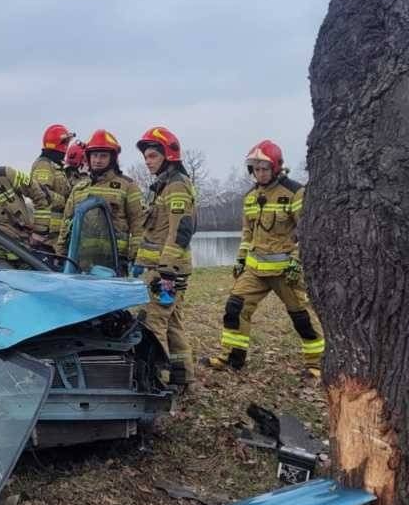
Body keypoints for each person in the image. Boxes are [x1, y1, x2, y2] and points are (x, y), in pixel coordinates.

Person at [204, 140, 324, 378]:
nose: (260, 174)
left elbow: (307, 232)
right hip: (255, 270)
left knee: (300, 317)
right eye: (256, 169)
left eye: (265, 169)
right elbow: (248, 235)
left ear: (276, 167)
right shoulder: (250, 198)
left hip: (284, 272)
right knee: (234, 309)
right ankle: (233, 357)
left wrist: (296, 262)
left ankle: (317, 364)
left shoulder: (294, 193)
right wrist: (240, 260)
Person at [134, 126, 197, 390]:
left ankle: (154, 382)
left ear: (168, 155)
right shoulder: (161, 186)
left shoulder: (176, 186)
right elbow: (153, 231)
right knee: (172, 324)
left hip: (166, 272)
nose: (148, 162)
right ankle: (182, 378)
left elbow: (180, 230)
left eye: (152, 156)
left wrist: (167, 270)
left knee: (153, 323)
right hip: (160, 268)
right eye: (146, 157)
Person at [55, 130, 144, 273]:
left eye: (103, 156)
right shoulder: (79, 189)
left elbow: (139, 225)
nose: (97, 160)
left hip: (115, 262)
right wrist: (60, 255)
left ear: (112, 158)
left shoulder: (128, 186)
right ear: (88, 157)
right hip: (80, 261)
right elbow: (66, 225)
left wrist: (136, 258)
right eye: (94, 155)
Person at [29, 124, 75, 249]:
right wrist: (68, 202)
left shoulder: (55, 165)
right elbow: (41, 194)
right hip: (46, 237)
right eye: (66, 143)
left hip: (56, 234)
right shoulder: (44, 165)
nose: (67, 147)